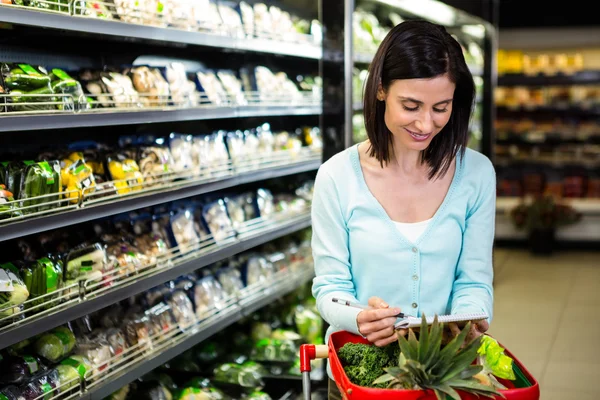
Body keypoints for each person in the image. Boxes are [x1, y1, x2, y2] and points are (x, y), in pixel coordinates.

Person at [310, 20, 496, 399]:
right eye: (410, 106)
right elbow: (331, 287)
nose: (426, 123)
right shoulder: (336, 177)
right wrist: (358, 317)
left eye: (441, 108)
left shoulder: (476, 173)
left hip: (445, 375)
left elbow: (474, 279)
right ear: (380, 90)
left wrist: (470, 316)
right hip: (360, 375)